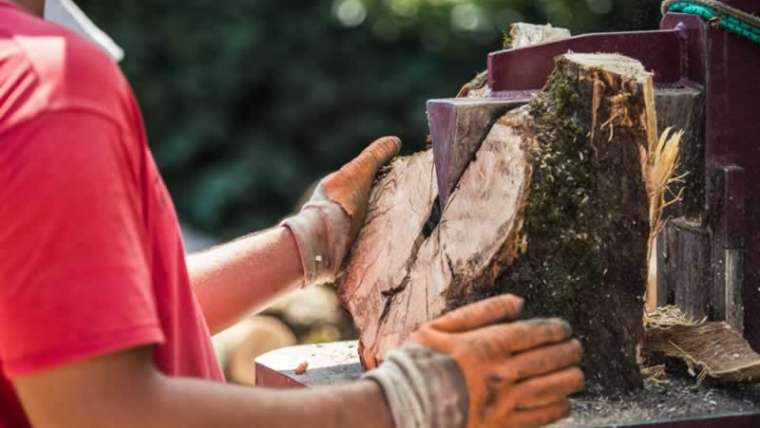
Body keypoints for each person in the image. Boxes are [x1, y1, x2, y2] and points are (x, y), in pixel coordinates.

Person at [0, 1, 585, 427]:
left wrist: (310, 243)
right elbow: (103, 412)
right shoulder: (45, 85)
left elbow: (72, 329)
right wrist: (402, 404)